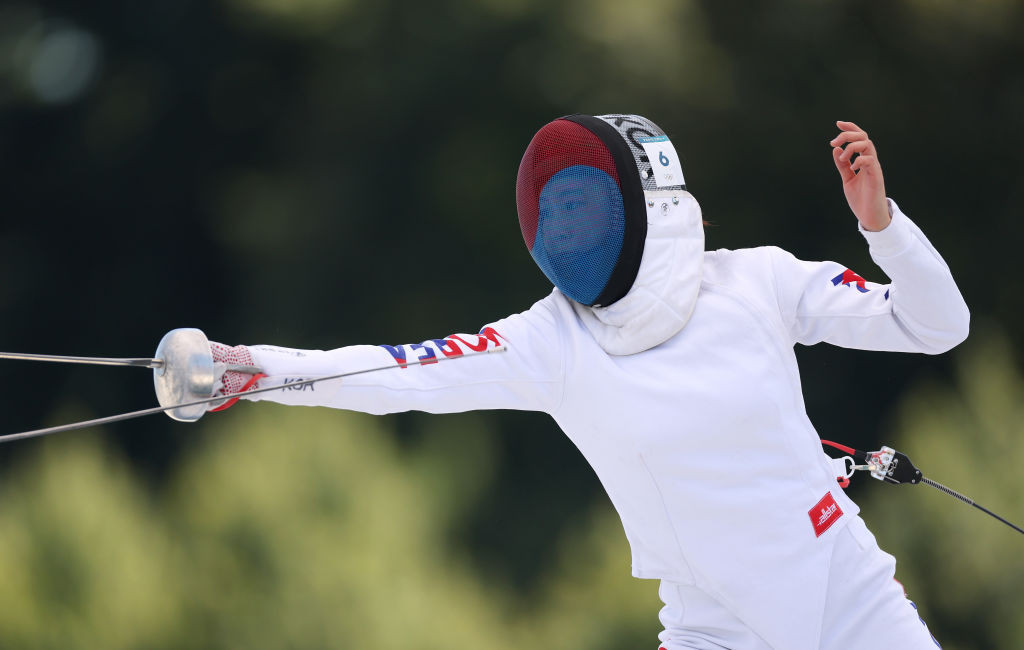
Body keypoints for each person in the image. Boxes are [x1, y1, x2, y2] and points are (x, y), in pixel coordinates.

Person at [202, 115, 967, 649]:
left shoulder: (756, 280)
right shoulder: (553, 341)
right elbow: (398, 373)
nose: (567, 231)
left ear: (644, 201)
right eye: (554, 210)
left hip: (847, 594)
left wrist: (882, 225)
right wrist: (257, 370)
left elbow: (938, 325)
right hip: (715, 630)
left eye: (581, 204)